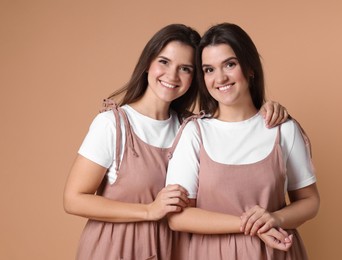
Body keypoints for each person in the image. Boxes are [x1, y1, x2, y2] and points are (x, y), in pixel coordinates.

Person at [63, 23, 289, 260]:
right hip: (117, 249)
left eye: (185, 68)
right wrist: (149, 211)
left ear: (195, 77)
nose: (172, 75)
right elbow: (73, 199)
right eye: (164, 62)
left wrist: (267, 110)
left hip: (175, 249)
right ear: (147, 64)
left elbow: (237, 121)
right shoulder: (113, 125)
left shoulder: (192, 128)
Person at [166, 23, 320, 259]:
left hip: (275, 253)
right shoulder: (194, 133)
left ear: (249, 68)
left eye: (230, 64)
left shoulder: (283, 129)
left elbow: (310, 201)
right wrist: (249, 224)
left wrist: (275, 218)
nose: (220, 78)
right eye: (209, 70)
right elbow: (177, 217)